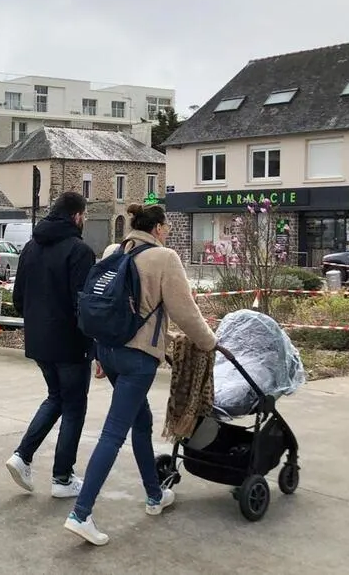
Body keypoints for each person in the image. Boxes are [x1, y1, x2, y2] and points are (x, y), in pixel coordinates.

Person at [64, 203, 232, 546]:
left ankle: (155, 496)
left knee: (141, 423)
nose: (168, 232)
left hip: (109, 351)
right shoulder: (164, 258)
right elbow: (186, 312)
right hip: (137, 359)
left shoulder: (115, 250)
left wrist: (99, 351)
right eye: (166, 227)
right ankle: (81, 514)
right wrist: (211, 343)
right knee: (113, 434)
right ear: (156, 228)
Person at [6, 192, 96, 498]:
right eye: (84, 215)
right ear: (76, 216)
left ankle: (22, 456)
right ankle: (62, 478)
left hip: (39, 342)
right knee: (74, 407)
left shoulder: (30, 248)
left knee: (56, 398)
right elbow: (83, 304)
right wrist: (92, 347)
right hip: (70, 344)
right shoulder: (79, 251)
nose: (85, 220)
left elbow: (18, 299)